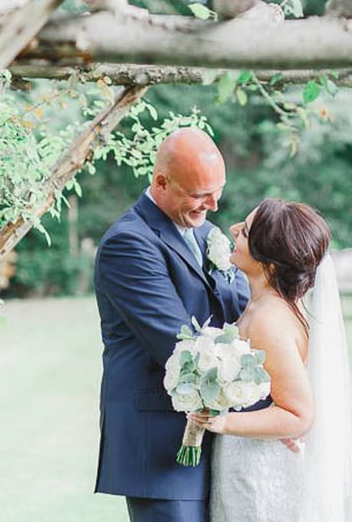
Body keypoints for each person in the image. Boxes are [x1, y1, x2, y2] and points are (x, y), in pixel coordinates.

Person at [93, 128, 250, 522]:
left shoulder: (208, 234)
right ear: (161, 182)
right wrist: (272, 407)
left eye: (218, 191)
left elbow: (241, 310)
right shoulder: (129, 244)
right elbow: (182, 346)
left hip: (217, 437)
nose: (213, 205)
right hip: (163, 446)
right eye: (200, 195)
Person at [190, 198, 352, 522]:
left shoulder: (271, 319)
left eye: (246, 231)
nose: (234, 229)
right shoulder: (261, 306)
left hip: (260, 473)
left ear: (269, 260)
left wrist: (221, 421)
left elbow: (298, 414)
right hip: (245, 461)